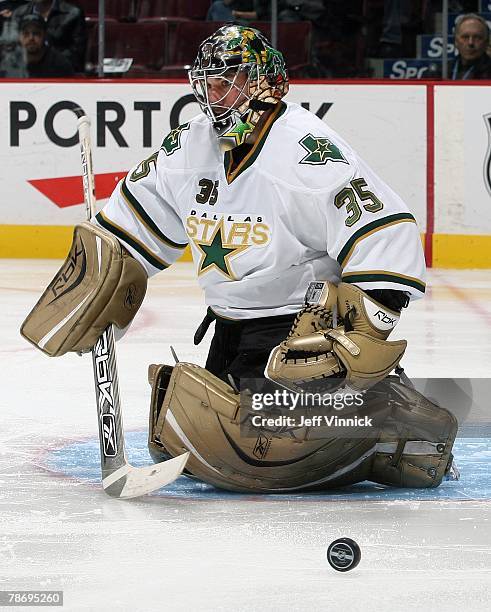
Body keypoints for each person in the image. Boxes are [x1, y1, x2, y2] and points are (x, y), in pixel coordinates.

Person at [21, 26, 458, 493]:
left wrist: (361, 339)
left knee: (259, 459)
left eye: (228, 79)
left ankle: (382, 415)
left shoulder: (308, 153)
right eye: (207, 80)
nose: (213, 93)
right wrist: (100, 277)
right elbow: (131, 227)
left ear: (264, 84)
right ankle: (344, 420)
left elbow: (386, 229)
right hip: (230, 330)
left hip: (296, 338)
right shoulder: (188, 146)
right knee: (186, 443)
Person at [12, 0, 86, 72]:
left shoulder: (73, 13)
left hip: (60, 73)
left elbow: (76, 54)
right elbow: (12, 50)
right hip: (25, 72)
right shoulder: (18, 13)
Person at [450, 13, 491, 79]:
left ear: (486, 42)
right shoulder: (442, 71)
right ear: (456, 42)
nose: (470, 43)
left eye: (477, 37)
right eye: (465, 37)